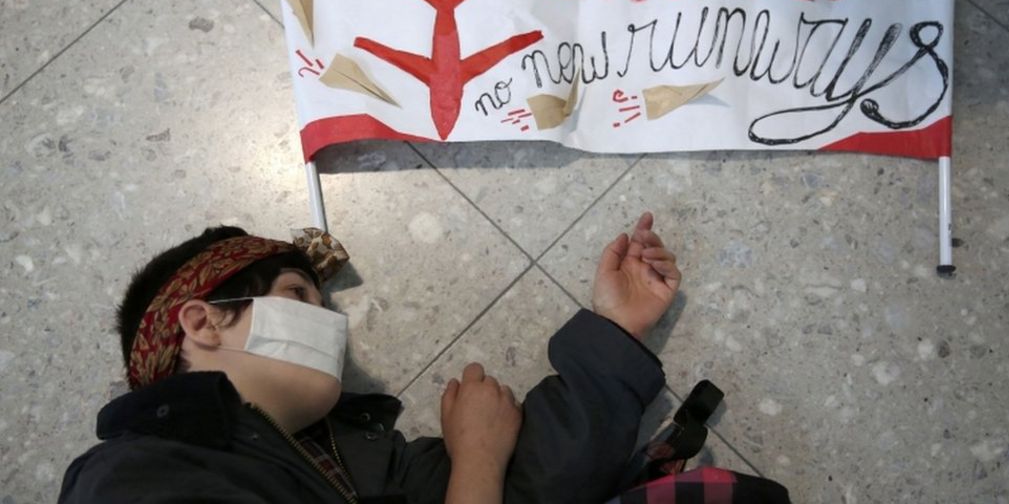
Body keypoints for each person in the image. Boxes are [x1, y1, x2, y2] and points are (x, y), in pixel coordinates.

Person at [58, 212, 681, 503]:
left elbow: (534, 488)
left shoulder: (356, 458)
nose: (330, 324)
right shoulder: (131, 480)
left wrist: (616, 328)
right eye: (298, 295)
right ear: (203, 321)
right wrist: (479, 463)